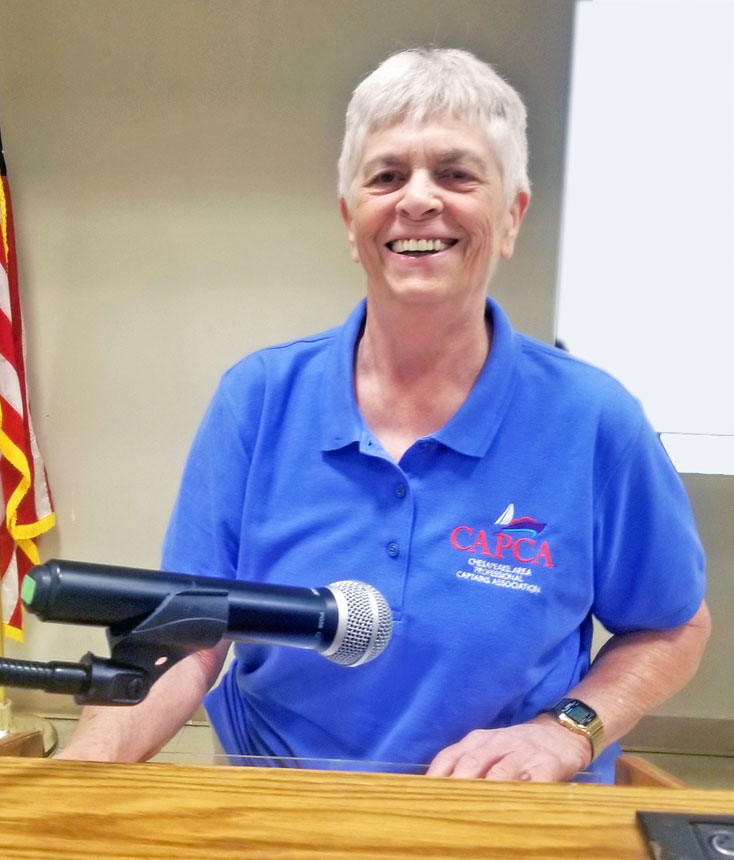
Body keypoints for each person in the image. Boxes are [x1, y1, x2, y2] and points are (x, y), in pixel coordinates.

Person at [56, 48, 710, 783]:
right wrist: (80, 773)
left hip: (505, 822)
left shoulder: (594, 421)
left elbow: (675, 623)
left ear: (511, 215)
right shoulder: (259, 400)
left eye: (457, 174)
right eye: (388, 176)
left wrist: (566, 731)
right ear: (350, 218)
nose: (419, 200)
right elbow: (189, 638)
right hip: (286, 814)